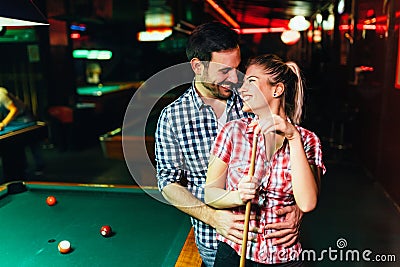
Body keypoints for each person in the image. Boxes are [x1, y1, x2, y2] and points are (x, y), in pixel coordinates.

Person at [155, 22, 303, 266]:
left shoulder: (253, 99)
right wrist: (214, 218)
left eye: (237, 68)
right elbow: (168, 183)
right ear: (197, 67)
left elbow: (293, 155)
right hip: (215, 241)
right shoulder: (172, 118)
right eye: (224, 71)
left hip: (272, 241)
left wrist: (297, 207)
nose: (235, 78)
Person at [205, 54, 326, 266]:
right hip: (235, 251)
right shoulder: (233, 131)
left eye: (250, 82)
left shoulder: (308, 140)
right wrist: (238, 196)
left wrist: (293, 137)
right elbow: (210, 194)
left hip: (283, 257)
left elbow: (307, 203)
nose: (242, 89)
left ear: (277, 90)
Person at [0, 87, 44, 175]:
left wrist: (3, 123)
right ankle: (23, 168)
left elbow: (14, 109)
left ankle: (40, 166)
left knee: (32, 144)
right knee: (17, 144)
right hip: (14, 120)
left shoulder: (1, 94)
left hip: (24, 118)